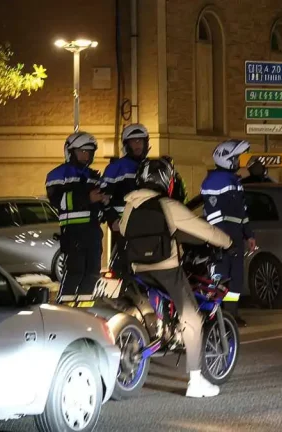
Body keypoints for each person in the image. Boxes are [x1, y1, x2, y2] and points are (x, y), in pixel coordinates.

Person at [120, 158, 232, 398]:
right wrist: (228, 242)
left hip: (138, 270)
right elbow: (203, 230)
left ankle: (161, 330)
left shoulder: (130, 206)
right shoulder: (167, 205)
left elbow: (123, 229)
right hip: (167, 270)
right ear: (165, 180)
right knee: (193, 318)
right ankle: (196, 381)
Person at [46, 132, 107, 305]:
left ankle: (86, 310)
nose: (86, 155)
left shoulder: (94, 176)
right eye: (82, 151)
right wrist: (88, 198)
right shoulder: (57, 175)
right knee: (74, 272)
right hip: (73, 233)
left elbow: (99, 206)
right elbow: (58, 200)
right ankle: (65, 310)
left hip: (93, 232)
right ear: (70, 151)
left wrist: (104, 201)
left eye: (89, 152)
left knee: (93, 273)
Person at [200, 139, 256, 327]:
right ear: (227, 159)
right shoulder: (214, 181)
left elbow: (242, 213)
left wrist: (249, 235)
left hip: (235, 238)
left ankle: (231, 314)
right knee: (219, 277)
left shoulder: (234, 181)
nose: (239, 161)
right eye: (236, 157)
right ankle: (212, 314)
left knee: (236, 278)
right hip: (221, 239)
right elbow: (213, 215)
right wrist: (222, 240)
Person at [101, 124, 151, 274]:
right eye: (133, 141)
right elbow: (103, 197)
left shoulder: (151, 166)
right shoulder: (116, 168)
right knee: (121, 271)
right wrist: (112, 219)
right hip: (123, 229)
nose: (138, 145)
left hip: (148, 229)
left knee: (144, 271)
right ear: (126, 145)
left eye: (140, 141)